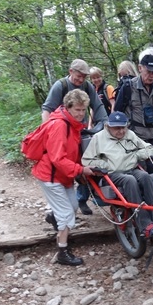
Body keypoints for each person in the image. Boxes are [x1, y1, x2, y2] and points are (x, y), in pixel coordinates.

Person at [33, 89, 99, 266]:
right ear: (68, 107)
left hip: (63, 176)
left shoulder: (73, 125)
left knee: (73, 205)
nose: (80, 114)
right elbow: (57, 158)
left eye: (83, 110)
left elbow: (72, 152)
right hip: (51, 176)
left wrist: (79, 170)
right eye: (77, 109)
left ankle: (53, 217)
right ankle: (62, 251)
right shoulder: (60, 125)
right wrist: (81, 170)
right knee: (67, 215)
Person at [81, 111, 153, 237]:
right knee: (129, 180)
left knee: (145, 176)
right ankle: (145, 224)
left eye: (123, 127)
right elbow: (86, 160)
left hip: (132, 169)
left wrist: (137, 154)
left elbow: (150, 149)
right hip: (112, 174)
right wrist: (105, 164)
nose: (120, 131)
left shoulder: (130, 135)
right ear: (108, 126)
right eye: (116, 128)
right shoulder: (98, 138)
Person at [41, 59, 108, 215]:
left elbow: (97, 106)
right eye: (78, 76)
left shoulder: (87, 87)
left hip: (81, 131)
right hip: (62, 132)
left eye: (84, 77)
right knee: (61, 164)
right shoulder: (60, 86)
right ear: (71, 71)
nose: (80, 80)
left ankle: (81, 199)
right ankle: (58, 205)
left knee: (84, 164)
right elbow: (47, 109)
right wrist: (48, 133)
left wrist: (105, 123)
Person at [113, 49, 153, 151]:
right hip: (134, 137)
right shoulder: (128, 87)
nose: (152, 75)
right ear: (140, 68)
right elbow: (116, 113)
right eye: (149, 71)